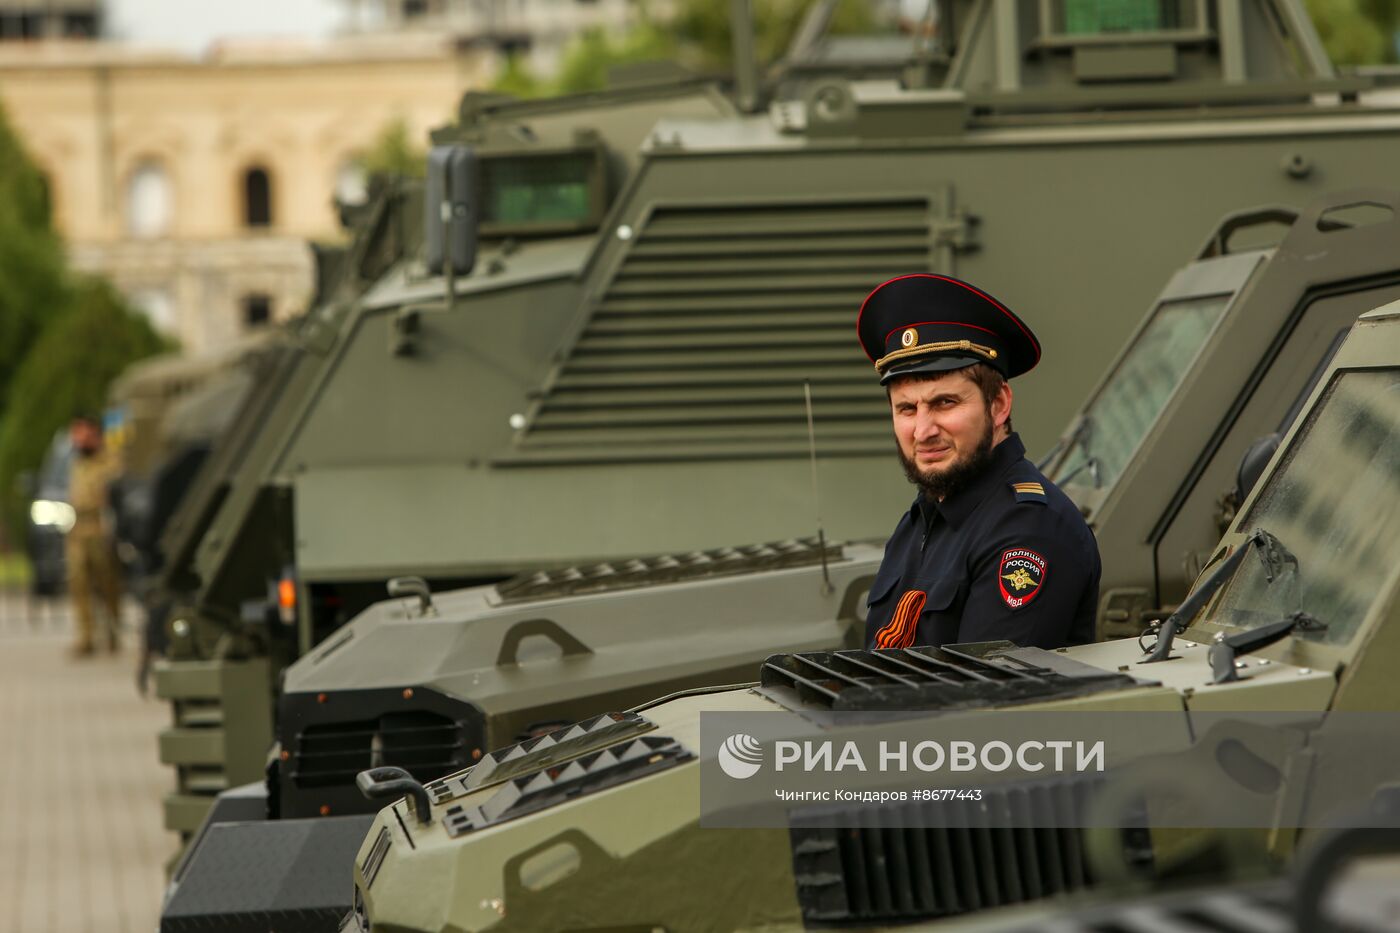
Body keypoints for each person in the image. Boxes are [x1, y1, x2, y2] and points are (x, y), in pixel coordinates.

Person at [856, 274, 1100, 651]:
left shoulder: (1028, 528)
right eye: (906, 408)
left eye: (944, 403)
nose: (923, 431)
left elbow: (986, 686)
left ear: (998, 404)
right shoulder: (923, 518)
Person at [66, 413, 124, 657]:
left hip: (101, 527)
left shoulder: (110, 461)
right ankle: (86, 637)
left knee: (107, 583)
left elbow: (115, 494)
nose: (78, 439)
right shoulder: (77, 463)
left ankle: (112, 632)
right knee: (78, 582)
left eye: (83, 433)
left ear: (95, 434)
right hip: (78, 528)